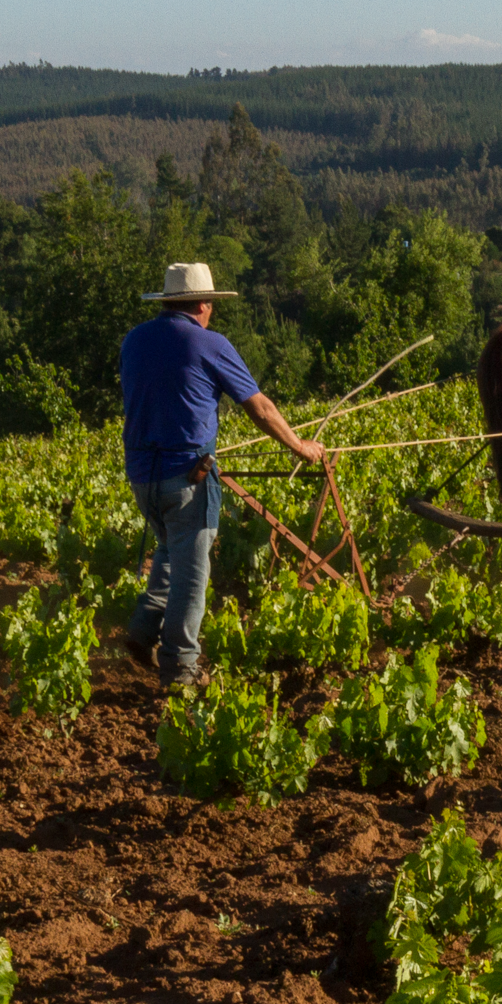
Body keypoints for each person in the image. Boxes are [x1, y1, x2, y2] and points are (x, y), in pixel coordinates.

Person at [119, 262, 325, 686]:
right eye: (210, 303)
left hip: (143, 476)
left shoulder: (134, 341)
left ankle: (141, 631)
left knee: (170, 549)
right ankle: (180, 667)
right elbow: (260, 407)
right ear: (202, 303)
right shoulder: (209, 344)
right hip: (187, 476)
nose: (212, 309)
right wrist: (301, 448)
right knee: (193, 574)